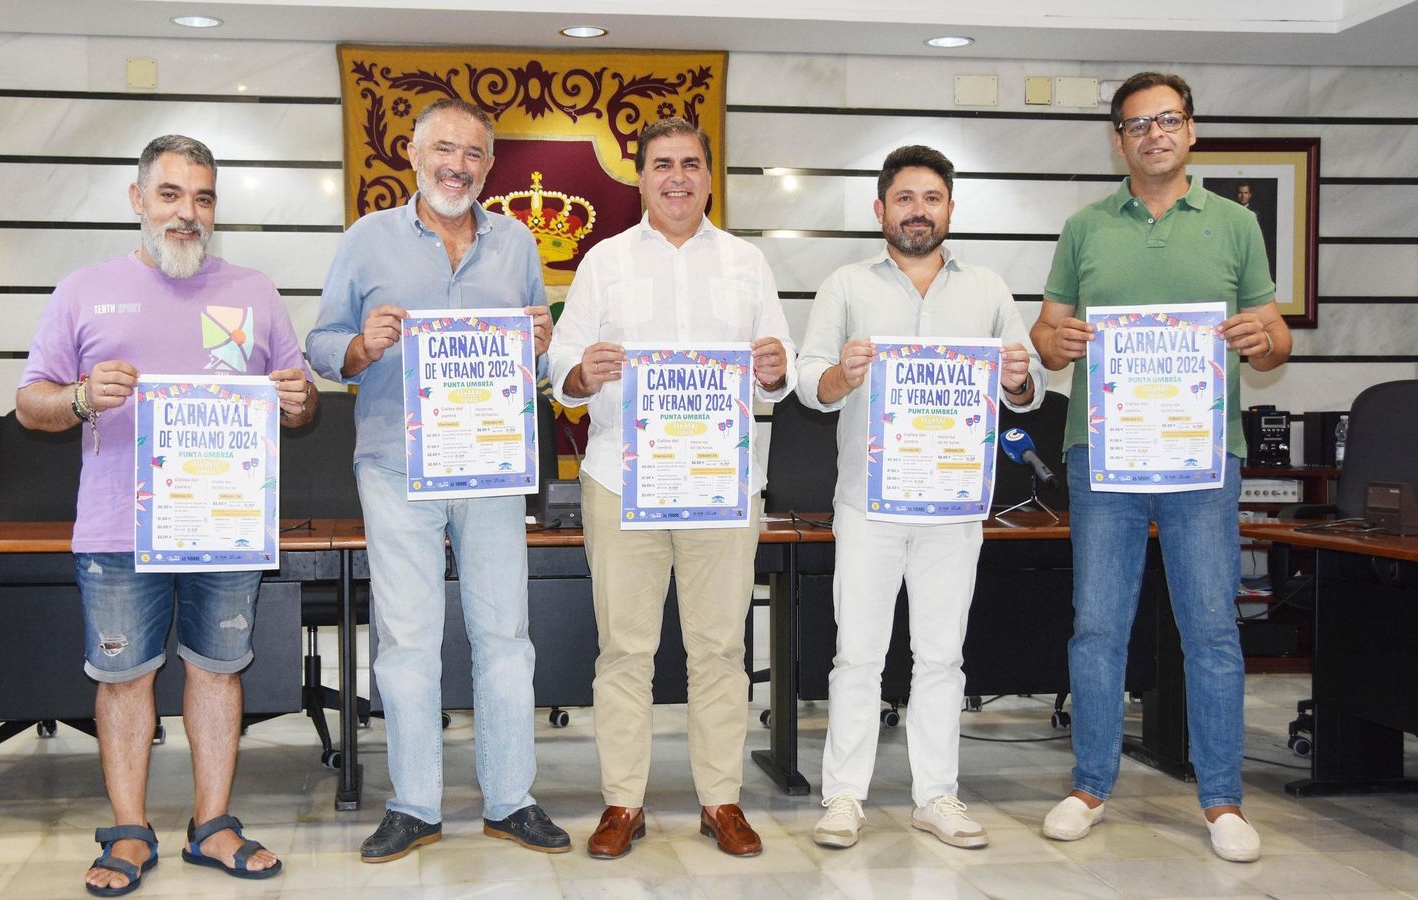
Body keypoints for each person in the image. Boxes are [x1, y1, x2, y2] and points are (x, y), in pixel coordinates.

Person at [17, 134, 316, 896]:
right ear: (138, 200)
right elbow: (31, 402)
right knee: (123, 679)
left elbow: (302, 398)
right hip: (120, 527)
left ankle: (212, 824)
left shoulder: (253, 290)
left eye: (204, 198)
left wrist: (298, 399)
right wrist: (82, 396)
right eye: (172, 195)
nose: (188, 213)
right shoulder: (84, 290)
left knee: (217, 674)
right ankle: (127, 831)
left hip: (224, 524)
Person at [1029, 72, 1291, 863]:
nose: (1152, 134)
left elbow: (1277, 337)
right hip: (1103, 456)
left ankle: (1222, 799)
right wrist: (1056, 345)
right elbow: (1045, 333)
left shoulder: (1237, 225)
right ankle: (1089, 786)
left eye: (1166, 120)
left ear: (1191, 131)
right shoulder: (1084, 227)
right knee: (1098, 625)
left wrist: (1261, 340)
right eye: (1136, 124)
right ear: (1118, 140)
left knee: (1211, 627)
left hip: (1203, 459)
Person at [305, 98, 567, 863]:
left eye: (475, 154)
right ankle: (414, 804)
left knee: (505, 639)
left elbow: (535, 366)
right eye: (444, 150)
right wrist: (360, 345)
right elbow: (320, 346)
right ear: (414, 156)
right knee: (408, 641)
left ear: (490, 166)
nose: (459, 165)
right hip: (396, 464)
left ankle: (510, 799)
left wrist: (544, 346)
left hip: (489, 466)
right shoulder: (367, 240)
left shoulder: (516, 242)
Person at [548, 117, 795, 860]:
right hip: (622, 482)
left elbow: (777, 375)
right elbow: (562, 363)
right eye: (662, 165)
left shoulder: (748, 264)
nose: (677, 177)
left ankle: (721, 801)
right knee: (624, 649)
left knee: (719, 649)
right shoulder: (604, 261)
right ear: (642, 177)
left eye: (691, 163)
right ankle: (623, 803)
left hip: (721, 484)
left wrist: (776, 368)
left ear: (711, 176)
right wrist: (580, 372)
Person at [796, 145, 1043, 851]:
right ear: (880, 210)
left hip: (953, 504)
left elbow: (1024, 393)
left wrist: (1021, 380)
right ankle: (844, 797)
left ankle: (936, 796)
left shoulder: (988, 288)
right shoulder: (845, 284)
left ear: (950, 210)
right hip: (869, 502)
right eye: (904, 198)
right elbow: (810, 382)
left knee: (942, 656)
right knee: (858, 655)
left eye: (931, 198)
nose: (918, 211)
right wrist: (841, 376)